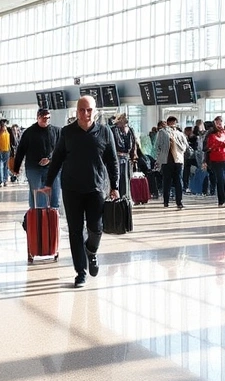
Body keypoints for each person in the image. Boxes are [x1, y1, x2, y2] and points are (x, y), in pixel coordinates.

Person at [40, 95, 119, 288]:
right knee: (75, 231)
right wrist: (49, 183)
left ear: (96, 111)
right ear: (76, 111)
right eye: (82, 110)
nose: (85, 114)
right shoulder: (67, 132)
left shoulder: (105, 132)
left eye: (89, 110)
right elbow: (57, 159)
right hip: (71, 188)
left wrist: (115, 186)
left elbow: (112, 160)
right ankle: (80, 272)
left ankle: (91, 251)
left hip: (96, 188)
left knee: (96, 227)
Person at [12, 108, 62, 213]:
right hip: (33, 167)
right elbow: (21, 150)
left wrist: (49, 159)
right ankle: (38, 212)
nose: (46, 120)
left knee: (55, 191)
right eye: (44, 118)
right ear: (38, 118)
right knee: (36, 192)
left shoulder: (57, 131)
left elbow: (61, 149)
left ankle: (54, 212)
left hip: (52, 168)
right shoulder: (29, 133)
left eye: (48, 118)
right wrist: (16, 168)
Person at [155, 116, 189, 209]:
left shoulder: (180, 134)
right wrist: (159, 157)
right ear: (168, 123)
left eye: (174, 122)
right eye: (171, 122)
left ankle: (179, 202)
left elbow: (185, 146)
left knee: (178, 181)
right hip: (166, 161)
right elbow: (157, 145)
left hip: (178, 160)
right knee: (166, 182)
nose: (173, 124)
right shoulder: (162, 133)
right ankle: (166, 201)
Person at [204, 116, 225, 207]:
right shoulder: (211, 134)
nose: (219, 124)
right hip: (216, 160)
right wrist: (221, 143)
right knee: (220, 179)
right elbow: (209, 146)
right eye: (217, 122)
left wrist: (222, 143)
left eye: (220, 122)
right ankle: (221, 200)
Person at [110, 114, 138, 200]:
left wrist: (133, 158)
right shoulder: (113, 130)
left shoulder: (130, 130)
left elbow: (133, 145)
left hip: (126, 157)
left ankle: (125, 199)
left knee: (125, 179)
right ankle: (117, 198)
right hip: (116, 156)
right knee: (117, 178)